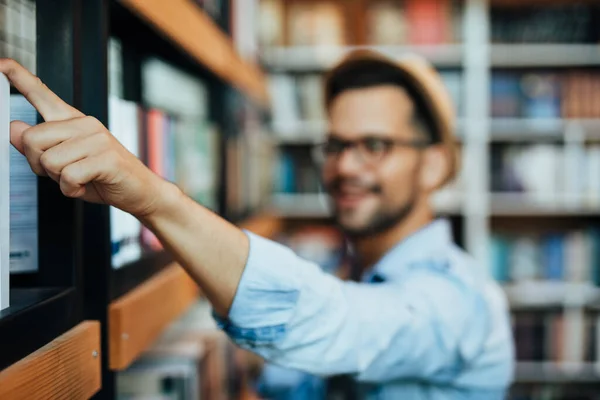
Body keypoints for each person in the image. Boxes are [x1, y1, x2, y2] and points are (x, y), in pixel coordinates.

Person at [2, 49, 514, 399]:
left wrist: (152, 198)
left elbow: (339, 325)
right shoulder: (353, 271)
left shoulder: (462, 299)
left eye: (375, 146)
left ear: (436, 164)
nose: (346, 167)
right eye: (336, 145)